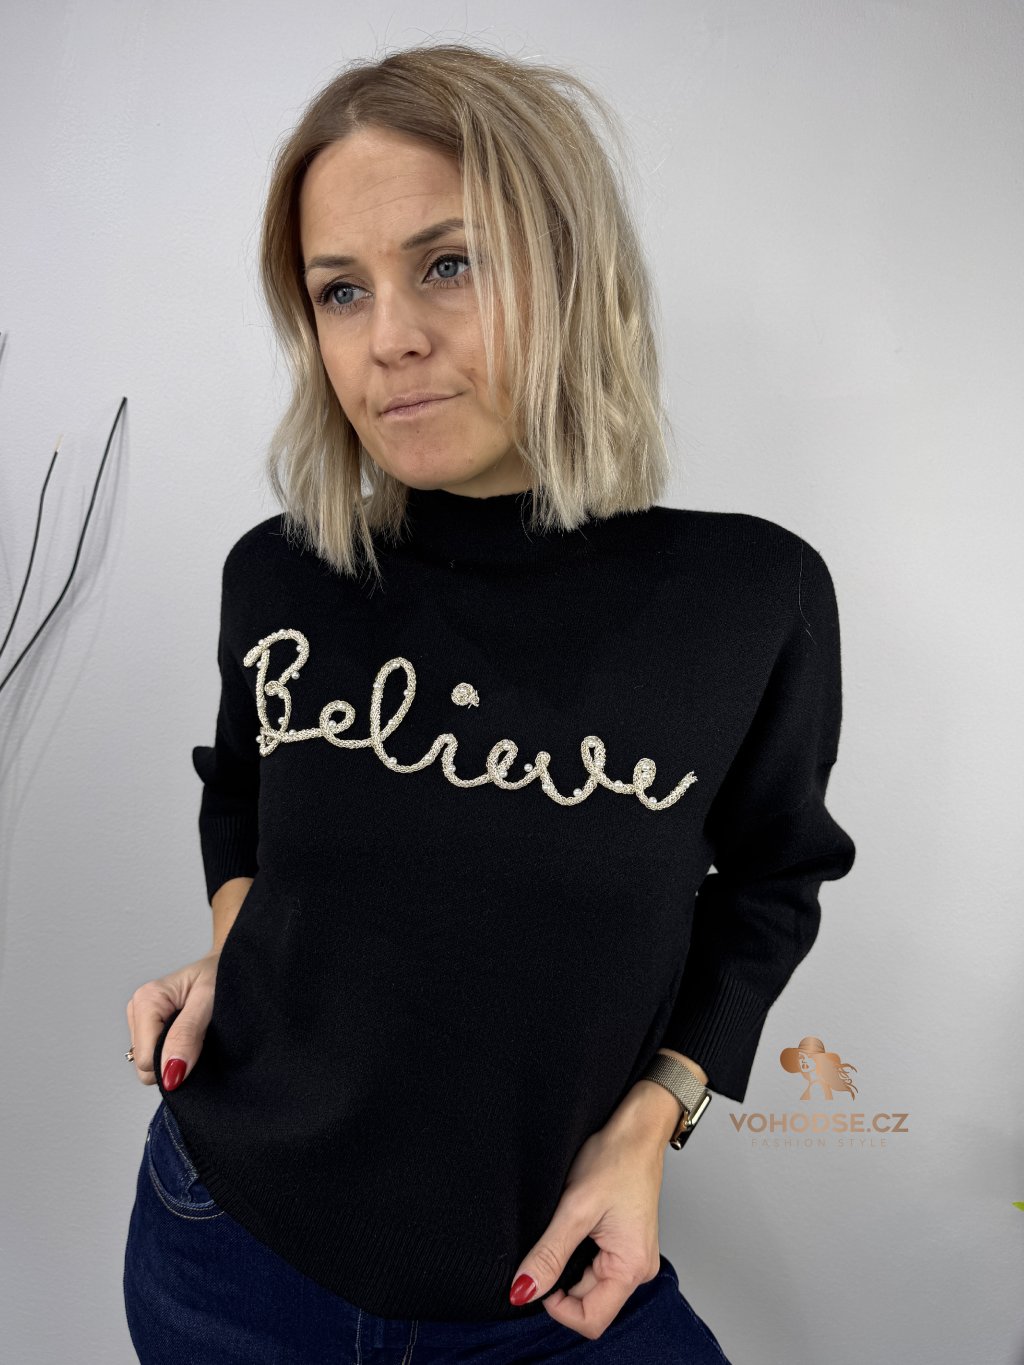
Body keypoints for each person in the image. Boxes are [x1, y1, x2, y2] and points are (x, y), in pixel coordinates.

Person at [122, 41, 855, 1363]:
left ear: (569, 268)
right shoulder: (280, 575)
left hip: (548, 1288)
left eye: (449, 264)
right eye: (341, 291)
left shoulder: (751, 597)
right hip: (224, 1246)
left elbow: (772, 884)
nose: (390, 336)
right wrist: (241, 948)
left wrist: (654, 1120)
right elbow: (240, 797)